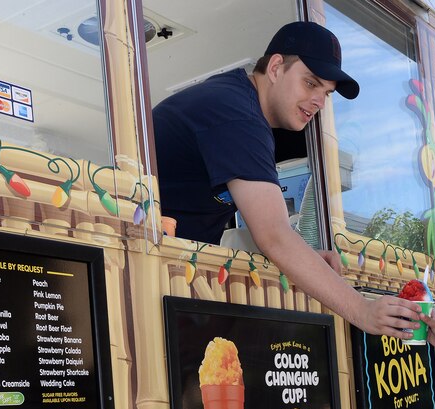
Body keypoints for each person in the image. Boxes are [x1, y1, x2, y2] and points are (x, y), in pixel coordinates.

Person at [152, 20, 419, 340]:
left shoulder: (242, 104)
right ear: (276, 67)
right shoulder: (237, 114)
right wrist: (362, 311)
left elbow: (270, 233)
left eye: (326, 93)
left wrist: (305, 261)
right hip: (141, 273)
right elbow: (274, 235)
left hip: (169, 275)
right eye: (310, 83)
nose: (319, 102)